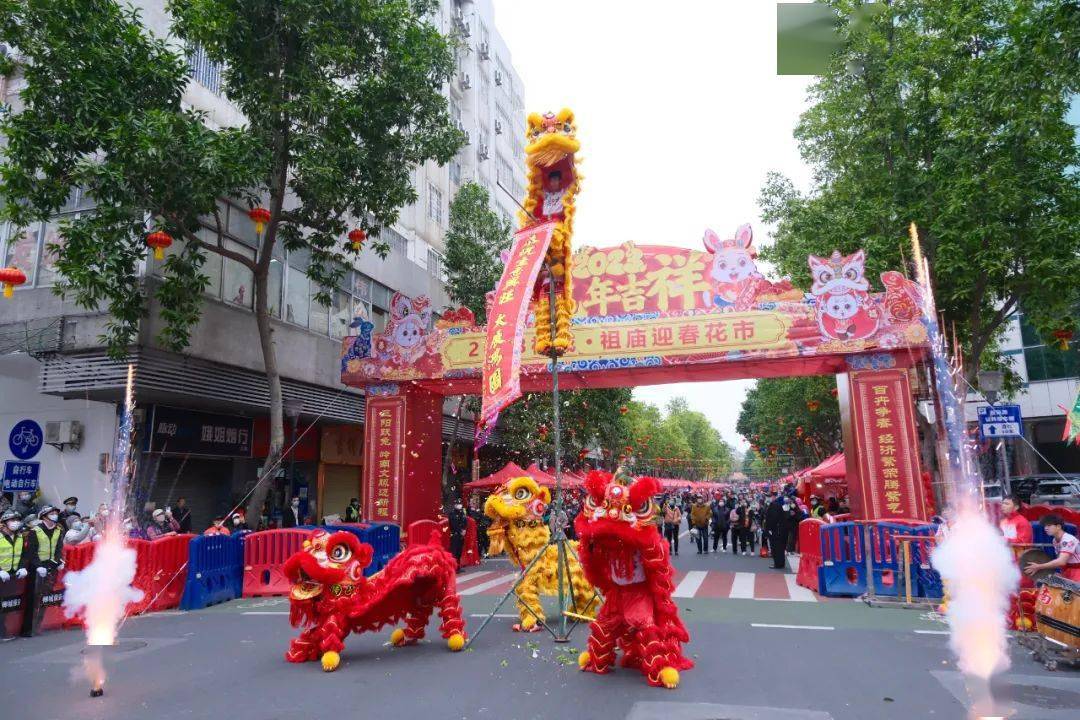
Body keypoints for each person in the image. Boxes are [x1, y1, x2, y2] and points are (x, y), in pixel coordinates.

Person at [1024, 514, 1080, 582]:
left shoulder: (1068, 539)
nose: (1045, 528)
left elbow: (1061, 561)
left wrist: (1039, 566)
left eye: (1049, 525)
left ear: (1058, 526)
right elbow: (1060, 561)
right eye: (1045, 526)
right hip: (1067, 571)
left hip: (1077, 572)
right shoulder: (1054, 540)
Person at [31, 505, 65, 577]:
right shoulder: (35, 531)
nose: (55, 516)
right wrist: (38, 566)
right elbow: (31, 551)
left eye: (56, 514)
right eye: (52, 514)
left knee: (49, 587)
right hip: (37, 565)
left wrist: (59, 562)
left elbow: (59, 548)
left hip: (52, 564)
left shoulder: (58, 530)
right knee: (35, 587)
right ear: (44, 517)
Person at [0, 510, 31, 583]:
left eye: (17, 520)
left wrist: (22, 567)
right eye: (13, 520)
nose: (16, 522)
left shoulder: (20, 536)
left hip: (15, 575)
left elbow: (23, 555)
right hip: (2, 574)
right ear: (4, 522)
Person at [764, 492, 787, 569]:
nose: (767, 498)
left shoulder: (774, 505)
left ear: (773, 497)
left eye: (769, 497)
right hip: (778, 530)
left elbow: (773, 519)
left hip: (775, 530)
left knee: (776, 547)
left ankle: (778, 564)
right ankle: (780, 563)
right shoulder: (774, 505)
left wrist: (769, 529)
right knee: (779, 548)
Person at [447, 500, 468, 569]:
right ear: (455, 505)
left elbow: (465, 521)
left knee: (459, 551)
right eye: (458, 504)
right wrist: (460, 531)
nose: (459, 505)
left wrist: (464, 529)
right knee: (454, 552)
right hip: (455, 534)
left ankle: (458, 566)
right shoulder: (452, 514)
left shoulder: (462, 513)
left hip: (461, 535)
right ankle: (454, 567)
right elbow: (454, 524)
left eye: (460, 504)